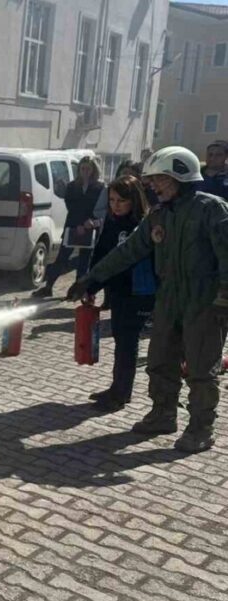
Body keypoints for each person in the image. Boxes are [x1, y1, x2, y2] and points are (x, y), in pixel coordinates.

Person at [67, 146, 228, 453]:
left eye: (159, 180)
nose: (153, 186)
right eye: (151, 180)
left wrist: (224, 299)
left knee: (200, 368)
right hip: (168, 298)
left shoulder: (212, 210)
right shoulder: (158, 215)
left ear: (181, 175)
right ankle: (163, 414)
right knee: (160, 361)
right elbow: (128, 251)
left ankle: (201, 428)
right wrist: (92, 278)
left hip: (204, 301)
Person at [84, 176, 157, 412]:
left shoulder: (143, 225)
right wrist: (90, 286)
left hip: (138, 292)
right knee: (119, 339)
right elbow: (101, 256)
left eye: (122, 200)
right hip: (117, 292)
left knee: (127, 342)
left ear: (134, 200)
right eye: (112, 200)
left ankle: (122, 393)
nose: (115, 205)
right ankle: (116, 387)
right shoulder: (112, 221)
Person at [33, 156, 104, 298]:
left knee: (84, 261)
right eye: (82, 168)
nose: (85, 172)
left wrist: (91, 222)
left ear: (93, 170)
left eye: (88, 169)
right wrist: (78, 224)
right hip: (72, 226)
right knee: (62, 258)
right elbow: (71, 206)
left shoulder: (99, 187)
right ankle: (48, 287)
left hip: (90, 227)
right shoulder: (72, 186)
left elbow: (101, 208)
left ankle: (79, 289)